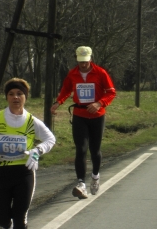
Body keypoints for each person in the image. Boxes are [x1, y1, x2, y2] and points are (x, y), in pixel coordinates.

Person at [0, 78, 55, 229]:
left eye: (20, 94)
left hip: (24, 172)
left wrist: (37, 151)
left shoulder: (31, 121)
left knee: (20, 213)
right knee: (1, 217)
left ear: (25, 97)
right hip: (1, 173)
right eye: (12, 94)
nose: (16, 97)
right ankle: (7, 227)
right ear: (6, 97)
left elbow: (50, 139)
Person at [50, 46, 116, 199]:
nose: (83, 65)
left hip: (97, 116)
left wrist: (99, 103)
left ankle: (95, 176)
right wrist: (57, 102)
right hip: (79, 115)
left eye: (86, 62)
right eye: (81, 62)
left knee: (95, 150)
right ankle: (81, 183)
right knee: (81, 149)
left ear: (90, 59)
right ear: (77, 60)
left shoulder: (100, 73)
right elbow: (66, 90)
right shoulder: (72, 74)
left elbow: (111, 92)